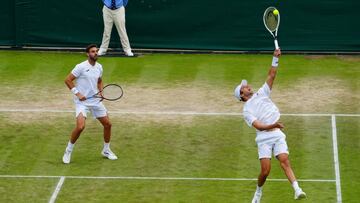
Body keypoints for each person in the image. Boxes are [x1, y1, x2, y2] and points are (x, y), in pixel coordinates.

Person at [234, 49, 306, 202]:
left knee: (284, 160)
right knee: (265, 171)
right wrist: (274, 124)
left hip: (277, 133)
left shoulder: (262, 92)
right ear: (242, 95)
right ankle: (258, 192)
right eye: (244, 88)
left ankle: (297, 189)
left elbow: (271, 75)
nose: (248, 87)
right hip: (264, 137)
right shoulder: (246, 110)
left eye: (246, 86)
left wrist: (275, 58)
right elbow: (259, 127)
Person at [62, 44, 118, 164]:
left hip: (95, 101)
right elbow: (67, 80)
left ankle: (106, 150)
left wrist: (101, 91)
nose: (96, 53)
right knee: (80, 127)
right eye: (93, 51)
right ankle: (68, 150)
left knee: (108, 124)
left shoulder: (99, 67)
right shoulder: (80, 67)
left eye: (96, 51)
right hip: (82, 103)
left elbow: (99, 81)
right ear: (88, 54)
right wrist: (78, 93)